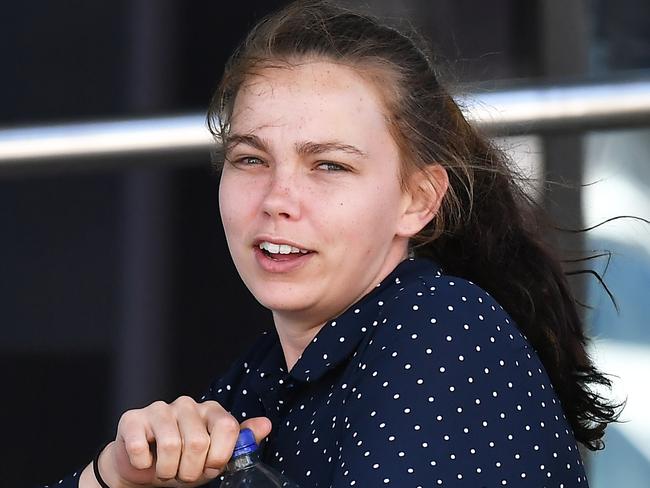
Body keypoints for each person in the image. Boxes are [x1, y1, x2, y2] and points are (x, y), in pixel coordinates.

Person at [46, 1, 621, 487]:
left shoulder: (443, 329)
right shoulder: (268, 371)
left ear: (417, 200)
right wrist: (116, 475)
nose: (278, 198)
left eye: (329, 165)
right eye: (251, 159)